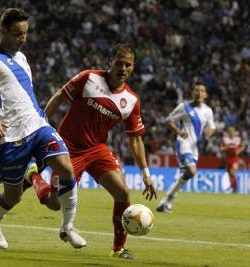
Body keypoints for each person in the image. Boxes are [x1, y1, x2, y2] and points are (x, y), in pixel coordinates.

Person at [0, 8, 86, 250]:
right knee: (13, 196)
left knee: (66, 168)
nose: (23, 39)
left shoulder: (22, 58)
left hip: (38, 126)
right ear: (2, 31)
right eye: (17, 34)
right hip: (11, 137)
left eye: (26, 33)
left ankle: (68, 227)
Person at [42, 43, 157, 259]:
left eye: (128, 65)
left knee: (122, 192)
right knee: (55, 204)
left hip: (96, 149)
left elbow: (136, 140)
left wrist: (146, 175)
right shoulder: (88, 78)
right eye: (119, 63)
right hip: (67, 149)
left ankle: (119, 249)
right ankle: (36, 179)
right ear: (110, 62)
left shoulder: (131, 101)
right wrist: (42, 127)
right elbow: (58, 98)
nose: (123, 68)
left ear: (133, 68)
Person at [157, 82, 216, 212]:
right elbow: (168, 120)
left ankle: (166, 201)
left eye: (202, 91)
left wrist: (208, 133)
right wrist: (179, 131)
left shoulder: (208, 111)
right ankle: (168, 199)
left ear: (205, 94)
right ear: (192, 93)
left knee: (187, 173)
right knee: (191, 171)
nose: (199, 93)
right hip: (183, 143)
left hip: (195, 147)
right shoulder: (184, 107)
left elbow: (212, 127)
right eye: (196, 90)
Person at [220, 126, 245, 193]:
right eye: (230, 132)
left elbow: (243, 146)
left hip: (235, 158)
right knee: (229, 174)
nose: (231, 133)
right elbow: (221, 148)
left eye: (232, 131)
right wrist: (227, 147)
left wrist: (238, 151)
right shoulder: (225, 139)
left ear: (234, 132)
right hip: (228, 158)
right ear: (228, 133)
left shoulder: (238, 139)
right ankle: (234, 188)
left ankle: (236, 185)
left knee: (232, 171)